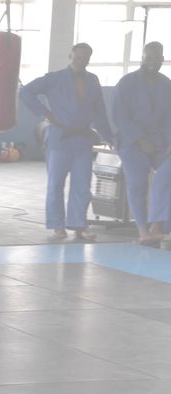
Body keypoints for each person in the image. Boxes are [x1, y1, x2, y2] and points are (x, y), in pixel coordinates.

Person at [20, 43, 114, 242]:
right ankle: (57, 224)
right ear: (70, 56)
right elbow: (25, 92)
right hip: (59, 138)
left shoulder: (93, 80)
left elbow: (99, 112)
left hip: (82, 139)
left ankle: (79, 224)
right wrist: (45, 113)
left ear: (89, 59)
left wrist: (109, 137)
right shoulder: (54, 79)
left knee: (82, 185)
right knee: (55, 184)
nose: (81, 61)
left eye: (85, 58)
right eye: (77, 57)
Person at [112, 42, 171, 245]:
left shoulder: (167, 84)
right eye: (148, 58)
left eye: (157, 59)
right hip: (131, 142)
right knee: (137, 184)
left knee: (167, 174)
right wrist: (140, 139)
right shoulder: (127, 83)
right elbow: (120, 116)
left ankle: (158, 225)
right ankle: (143, 230)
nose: (152, 62)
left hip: (159, 142)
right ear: (142, 58)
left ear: (162, 60)